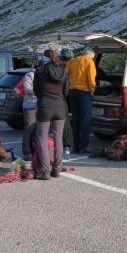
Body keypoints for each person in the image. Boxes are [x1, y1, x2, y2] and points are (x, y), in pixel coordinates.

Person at [33, 50, 69, 180]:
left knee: (42, 139)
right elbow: (66, 90)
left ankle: (45, 171)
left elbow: (36, 89)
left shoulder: (40, 70)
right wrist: (59, 99)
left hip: (45, 106)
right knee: (58, 138)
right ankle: (57, 169)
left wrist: (43, 98)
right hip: (59, 107)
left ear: (45, 57)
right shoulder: (63, 70)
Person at [66, 47, 96, 155]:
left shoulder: (73, 61)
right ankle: (84, 146)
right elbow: (91, 78)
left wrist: (69, 87)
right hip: (84, 93)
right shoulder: (89, 62)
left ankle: (76, 145)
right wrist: (92, 90)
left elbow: (66, 73)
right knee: (85, 120)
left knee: (76, 119)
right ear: (91, 56)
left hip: (73, 92)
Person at [21, 61, 39, 162]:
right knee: (29, 128)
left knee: (36, 130)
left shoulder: (43, 74)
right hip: (30, 105)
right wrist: (39, 90)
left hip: (39, 105)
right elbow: (27, 89)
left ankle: (34, 150)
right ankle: (26, 152)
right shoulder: (29, 75)